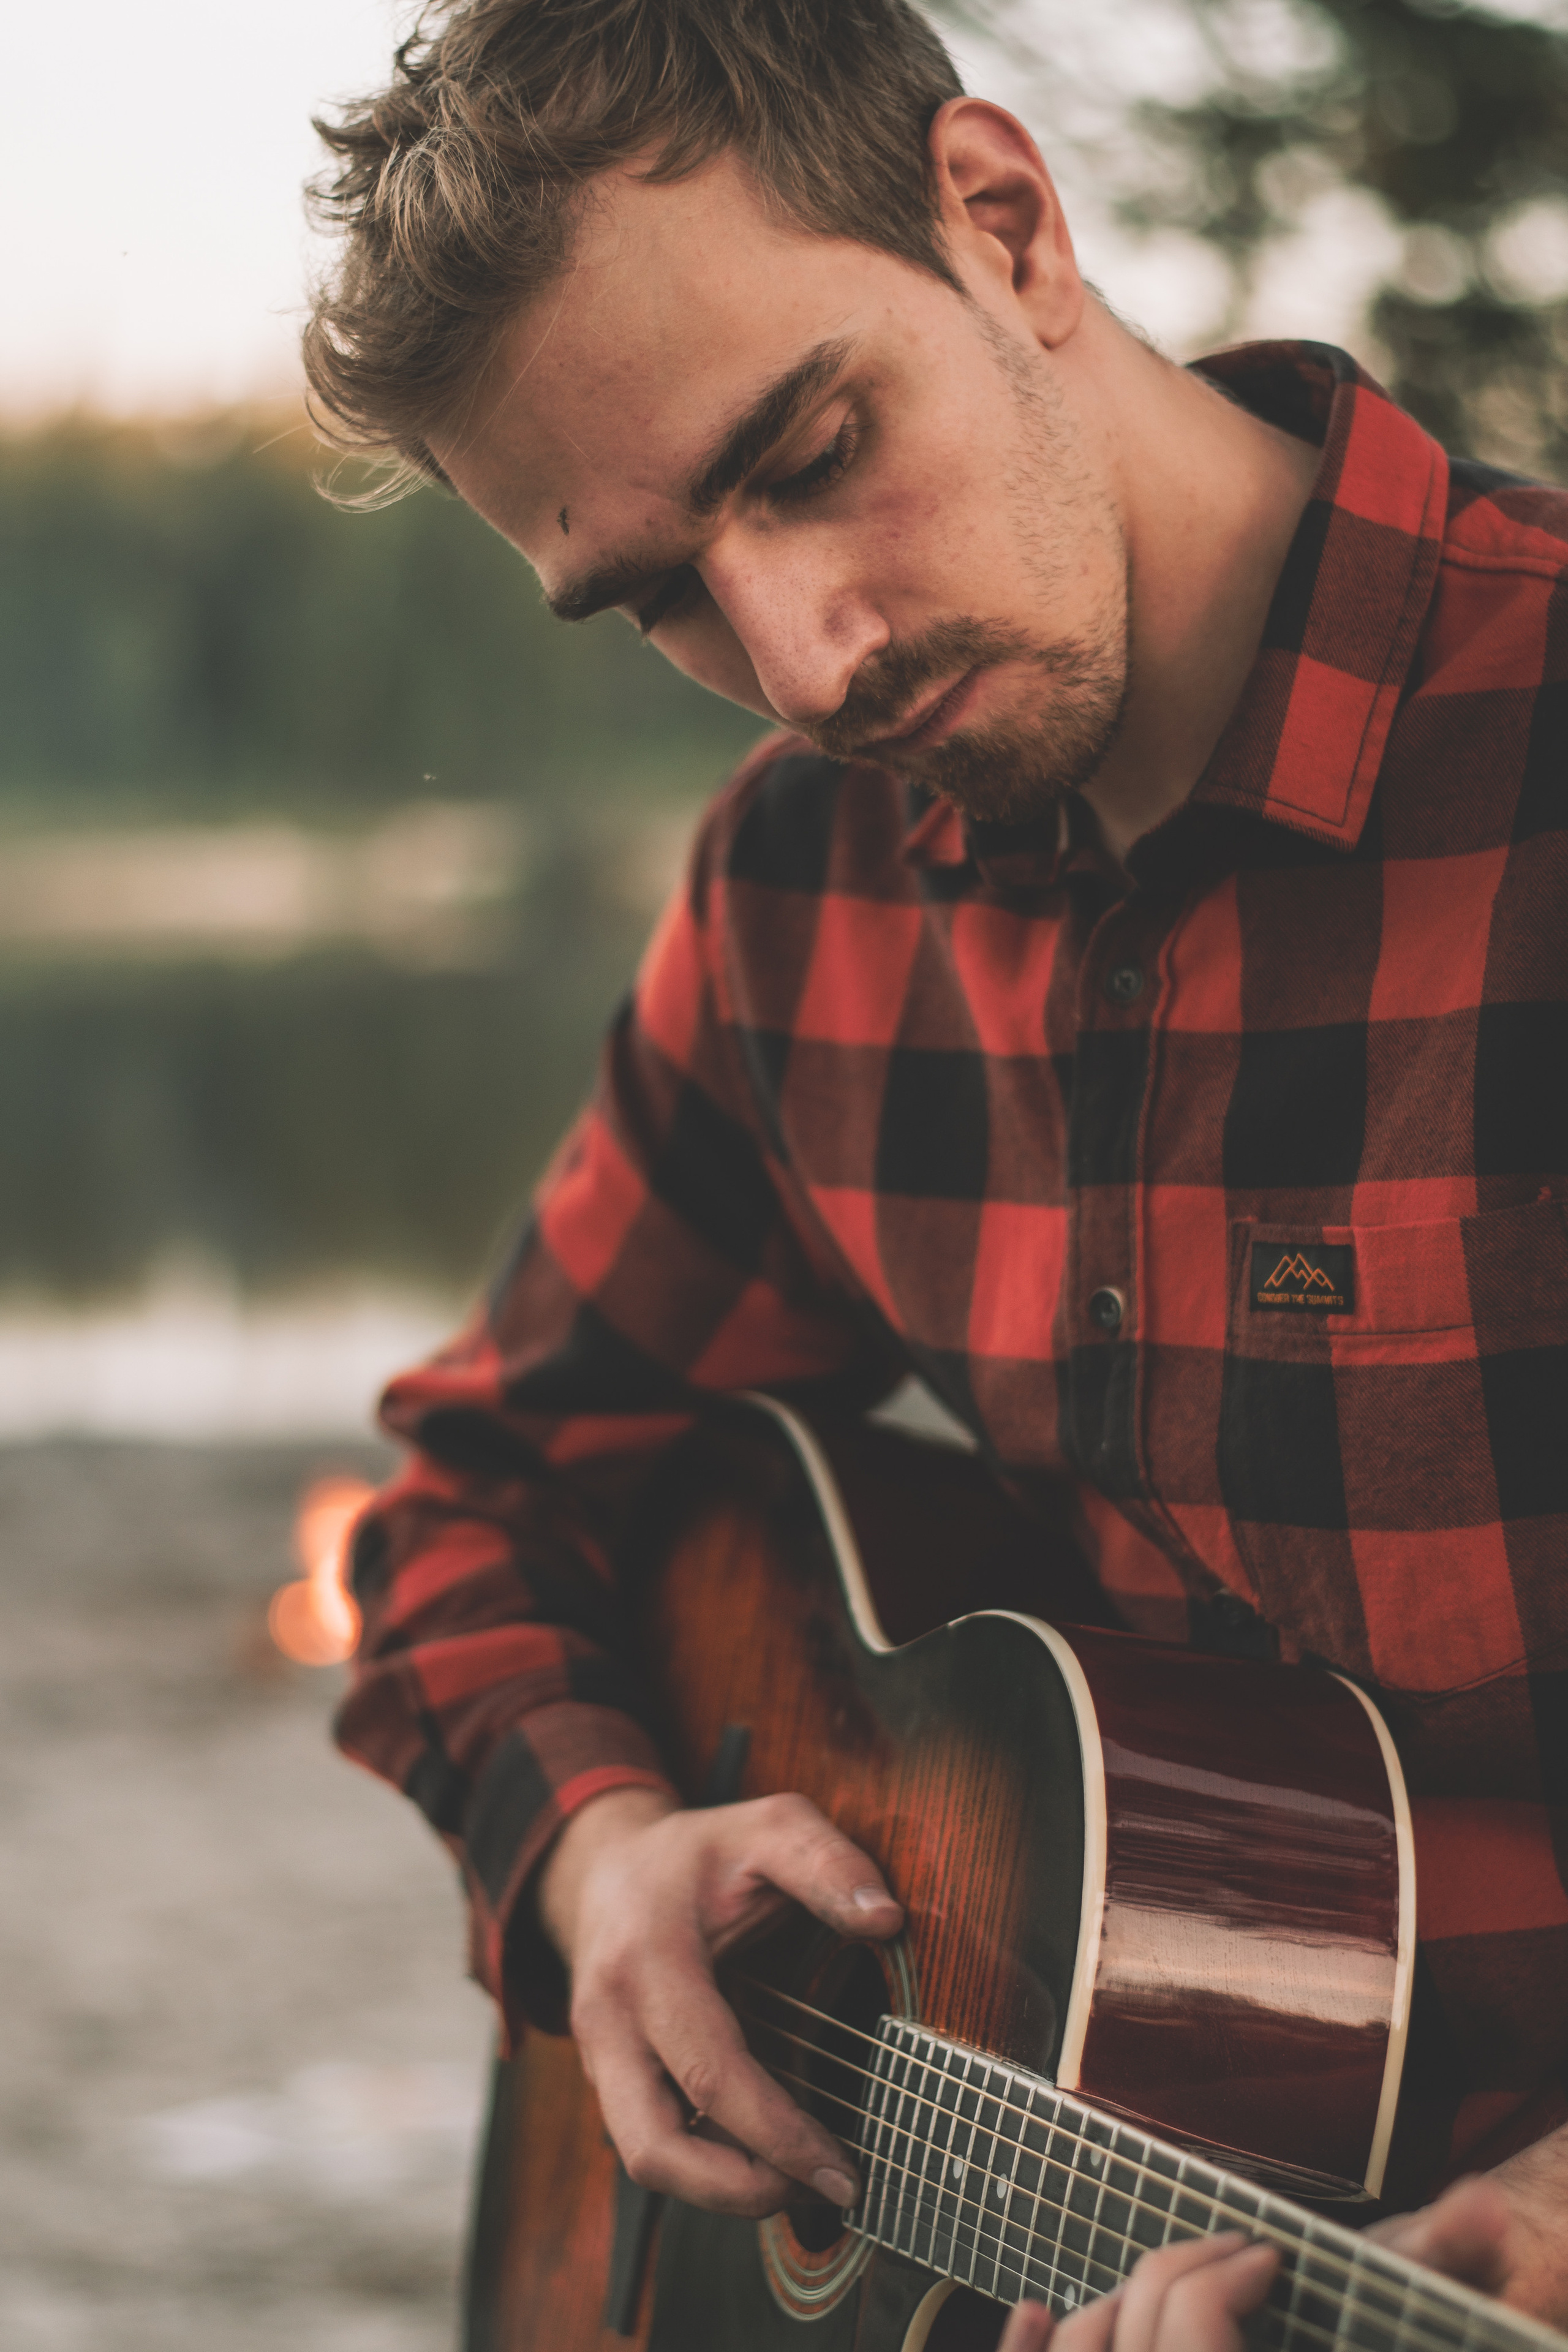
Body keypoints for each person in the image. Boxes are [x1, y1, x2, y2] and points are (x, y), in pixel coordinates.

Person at [303, 3, 1568, 2344]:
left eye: (808, 451)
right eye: (658, 593)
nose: (797, 653)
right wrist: (598, 1865)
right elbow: (469, 1495)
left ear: (1005, 221)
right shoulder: (809, 893)